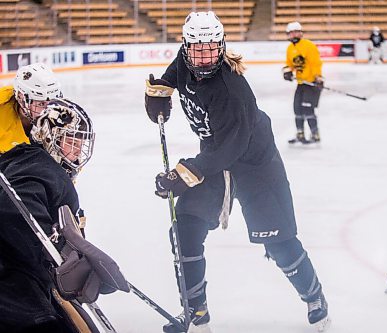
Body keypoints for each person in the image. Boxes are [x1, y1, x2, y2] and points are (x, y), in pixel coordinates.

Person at [144, 11, 331, 333]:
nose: (204, 56)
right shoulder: (184, 60)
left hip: (254, 164)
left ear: (222, 45)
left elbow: (230, 149)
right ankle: (196, 311)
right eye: (197, 48)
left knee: (279, 242)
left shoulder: (231, 90)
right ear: (186, 46)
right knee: (185, 228)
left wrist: (184, 175)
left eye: (211, 48)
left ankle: (314, 297)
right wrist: (159, 93)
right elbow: (171, 77)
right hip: (214, 157)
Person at [0, 98, 128, 332]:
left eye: (81, 143)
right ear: (49, 136)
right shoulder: (37, 165)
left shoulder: (36, 163)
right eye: (71, 141)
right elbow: (13, 211)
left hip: (23, 285)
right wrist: (56, 255)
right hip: (13, 291)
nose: (78, 152)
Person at [0, 62, 62, 155]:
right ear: (21, 98)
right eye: (41, 103)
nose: (48, 110)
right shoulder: (2, 110)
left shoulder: (62, 116)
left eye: (52, 102)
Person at [282, 21, 324, 144]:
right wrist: (287, 72)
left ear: (301, 33)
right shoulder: (290, 48)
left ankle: (315, 134)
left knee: (308, 110)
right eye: (291, 33)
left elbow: (316, 63)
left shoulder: (309, 46)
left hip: (311, 84)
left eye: (295, 32)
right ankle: (300, 133)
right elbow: (290, 64)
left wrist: (318, 78)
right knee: (297, 109)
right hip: (301, 83)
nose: (293, 35)